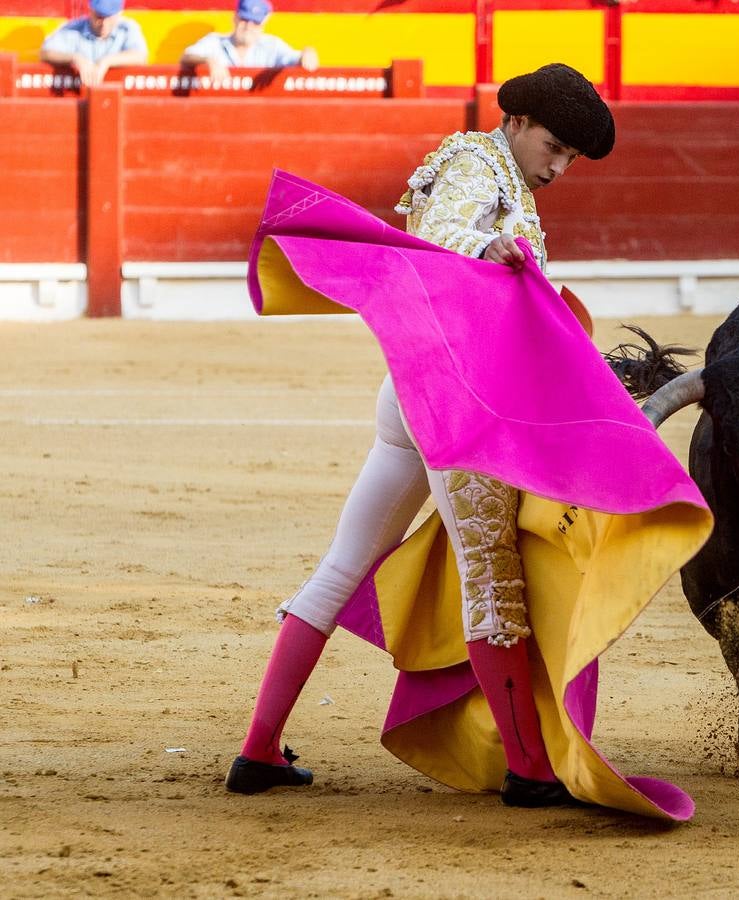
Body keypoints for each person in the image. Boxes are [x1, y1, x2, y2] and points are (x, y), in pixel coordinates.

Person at [227, 63, 618, 808]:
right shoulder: (479, 163)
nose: (559, 167)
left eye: (572, 158)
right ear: (517, 122)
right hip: (454, 402)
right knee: (492, 578)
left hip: (416, 388)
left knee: (345, 566)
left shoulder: (491, 168)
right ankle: (531, 772)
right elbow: (442, 236)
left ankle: (259, 750)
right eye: (555, 146)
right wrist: (488, 252)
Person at [180, 0, 317, 83]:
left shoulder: (272, 45)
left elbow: (297, 58)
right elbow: (186, 56)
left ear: (262, 25)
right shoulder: (214, 41)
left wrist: (308, 52)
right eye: (245, 19)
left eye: (255, 22)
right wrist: (208, 60)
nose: (248, 26)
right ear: (235, 18)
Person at [39, 0, 148, 88]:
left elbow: (140, 56)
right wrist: (75, 58)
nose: (104, 23)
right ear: (90, 11)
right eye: (99, 16)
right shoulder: (74, 30)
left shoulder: (127, 29)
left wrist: (106, 61)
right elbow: (46, 52)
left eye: (109, 17)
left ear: (119, 14)